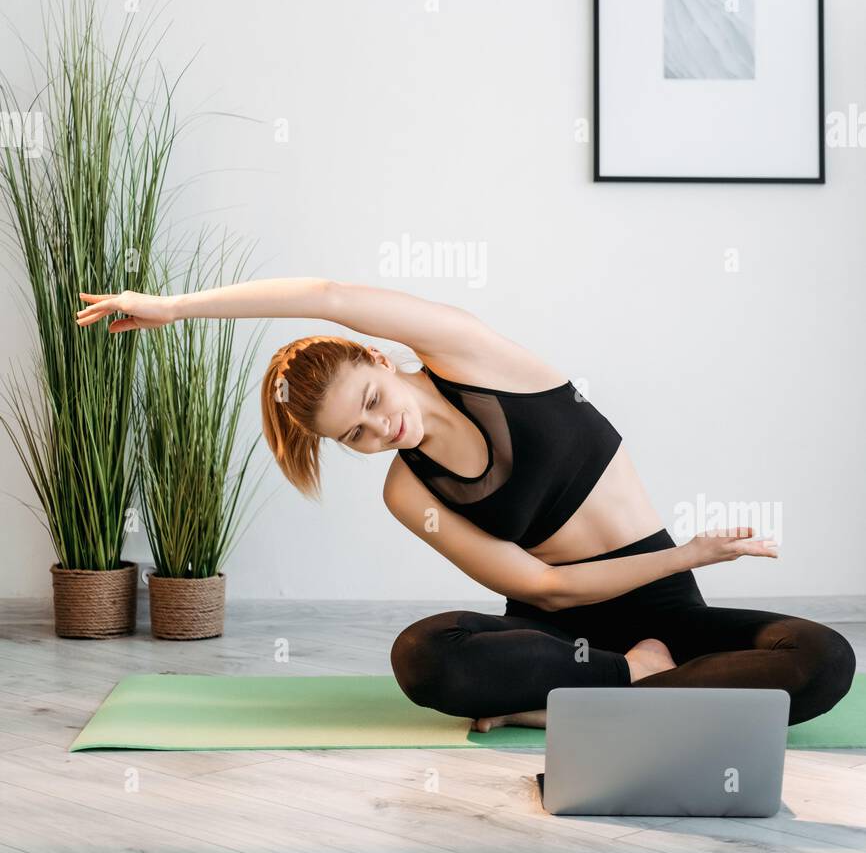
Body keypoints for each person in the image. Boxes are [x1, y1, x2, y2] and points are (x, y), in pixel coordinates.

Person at [76, 277, 856, 731]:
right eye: (357, 434)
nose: (384, 429)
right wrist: (687, 557)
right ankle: (628, 685)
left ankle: (560, 709)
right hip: (551, 633)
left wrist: (175, 308)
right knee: (423, 656)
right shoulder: (407, 491)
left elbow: (326, 293)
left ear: (381, 357)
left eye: (373, 400)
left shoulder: (471, 354)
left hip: (660, 601)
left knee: (824, 662)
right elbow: (543, 588)